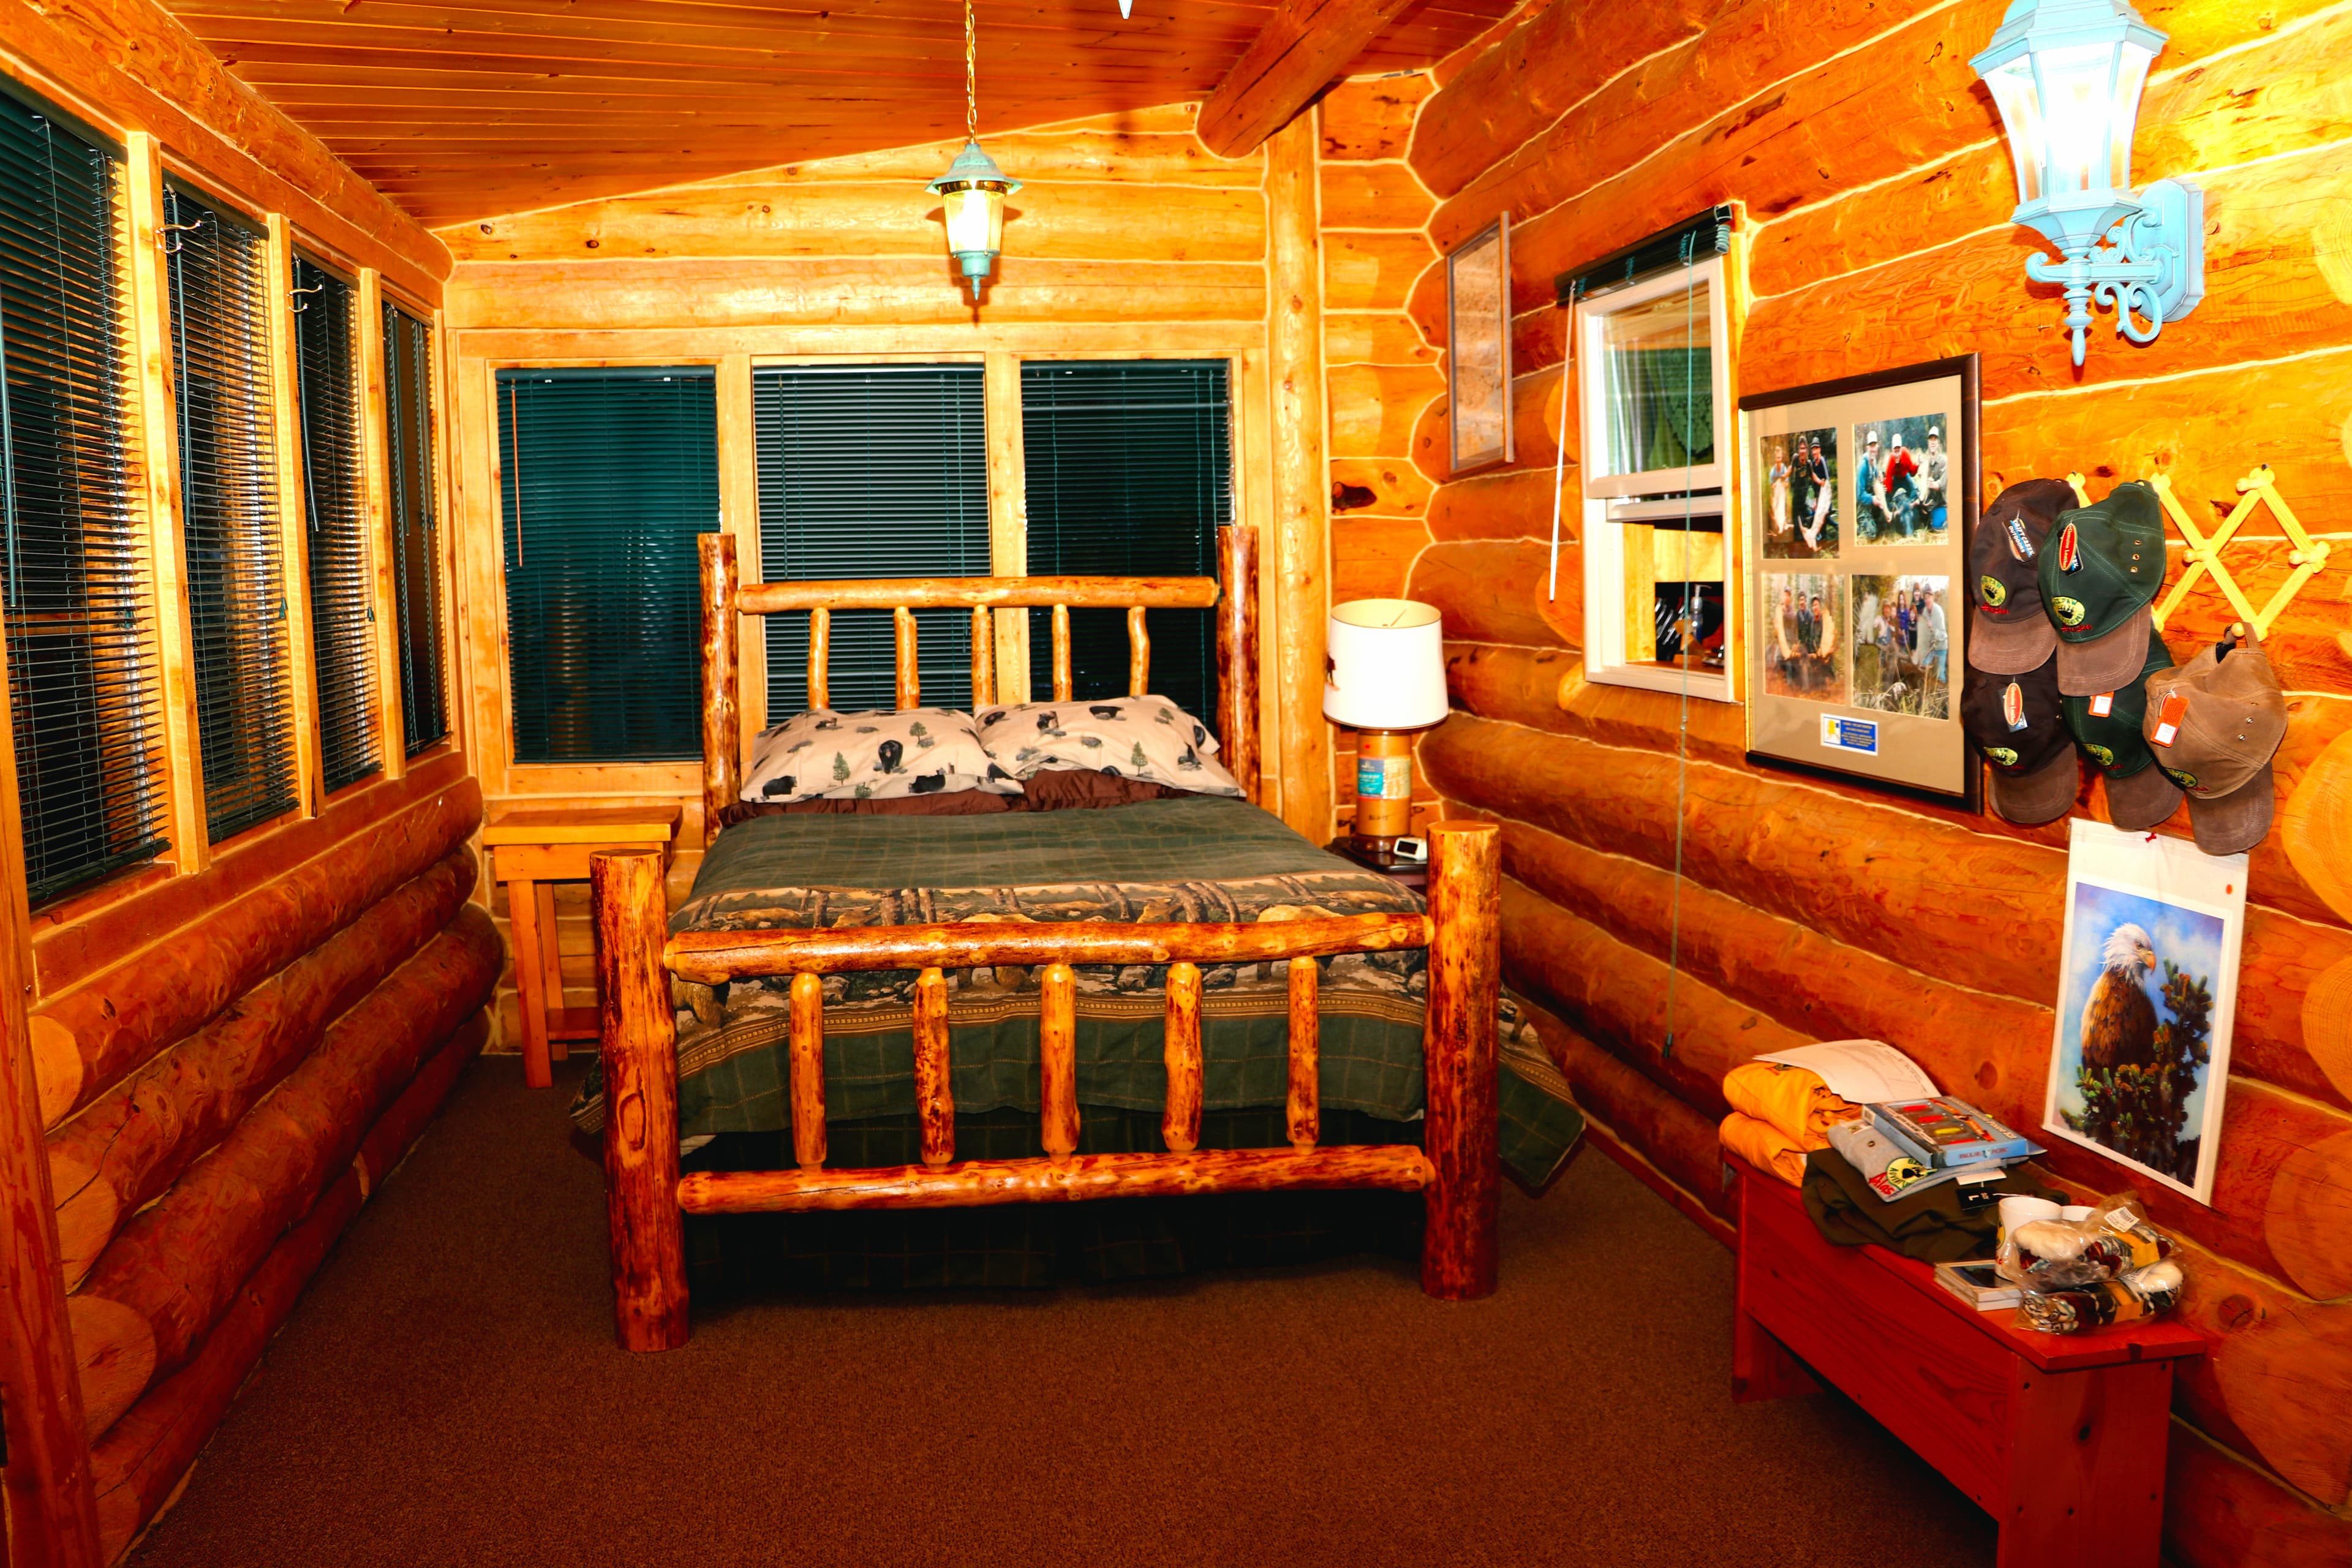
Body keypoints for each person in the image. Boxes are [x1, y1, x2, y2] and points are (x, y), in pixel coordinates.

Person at [1883, 430, 1920, 538]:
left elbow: (1912, 473)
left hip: (1905, 476)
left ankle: (1911, 505)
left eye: (1898, 451)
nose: (1897, 454)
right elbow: (1889, 485)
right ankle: (1892, 513)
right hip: (1895, 479)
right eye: (1895, 451)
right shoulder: (1890, 462)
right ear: (1892, 451)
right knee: (1888, 497)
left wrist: (1917, 465)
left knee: (1916, 491)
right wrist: (1885, 489)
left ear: (1901, 449)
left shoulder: (1906, 454)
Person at [1801, 435, 1833, 549]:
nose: (1815, 452)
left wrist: (1827, 503)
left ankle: (1826, 539)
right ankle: (1821, 539)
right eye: (1813, 449)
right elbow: (1815, 483)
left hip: (1826, 497)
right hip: (1819, 497)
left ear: (1820, 449)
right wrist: (1815, 500)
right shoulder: (1813, 465)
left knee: (1825, 518)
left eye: (1816, 449)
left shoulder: (1823, 462)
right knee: (1816, 516)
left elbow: (1828, 482)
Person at [1855, 429, 1886, 542]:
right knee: (1871, 535)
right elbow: (1859, 495)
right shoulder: (1863, 466)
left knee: (1883, 527)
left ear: (1877, 447)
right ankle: (1858, 529)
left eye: (1875, 445)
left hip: (1871, 504)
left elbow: (1878, 476)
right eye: (1871, 446)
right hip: (1862, 506)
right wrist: (1873, 499)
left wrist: (1881, 475)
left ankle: (1873, 520)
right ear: (1867, 448)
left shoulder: (1874, 463)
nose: (1873, 449)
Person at [1923, 426, 1948, 533]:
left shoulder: (1945, 462)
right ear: (1928, 443)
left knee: (1936, 528)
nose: (1933, 442)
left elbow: (1941, 485)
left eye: (1935, 440)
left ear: (1938, 443)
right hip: (1926, 506)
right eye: (1931, 440)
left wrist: (1933, 484)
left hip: (1939, 505)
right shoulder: (1925, 463)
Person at [1768, 442, 1792, 538]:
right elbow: (1771, 484)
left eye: (1780, 458)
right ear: (1775, 459)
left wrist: (1783, 484)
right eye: (1777, 458)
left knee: (1784, 507)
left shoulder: (1784, 468)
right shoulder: (1773, 471)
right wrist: (1774, 485)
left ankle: (1785, 522)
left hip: (1782, 493)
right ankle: (1780, 524)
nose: (1779, 460)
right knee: (1776, 509)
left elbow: (1787, 483)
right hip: (1776, 494)